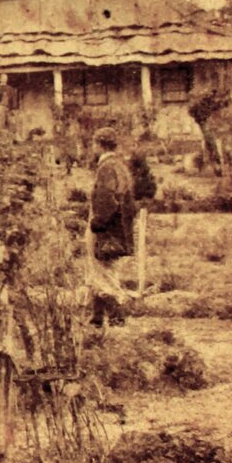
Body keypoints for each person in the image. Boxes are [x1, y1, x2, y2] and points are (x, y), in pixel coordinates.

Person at [85, 127, 138, 328]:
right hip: (118, 228)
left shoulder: (106, 167)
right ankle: (96, 317)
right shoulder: (120, 166)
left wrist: (97, 223)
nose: (93, 148)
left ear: (99, 145)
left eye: (94, 144)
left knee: (103, 273)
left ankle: (117, 315)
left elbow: (107, 198)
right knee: (99, 271)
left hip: (105, 229)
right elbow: (129, 203)